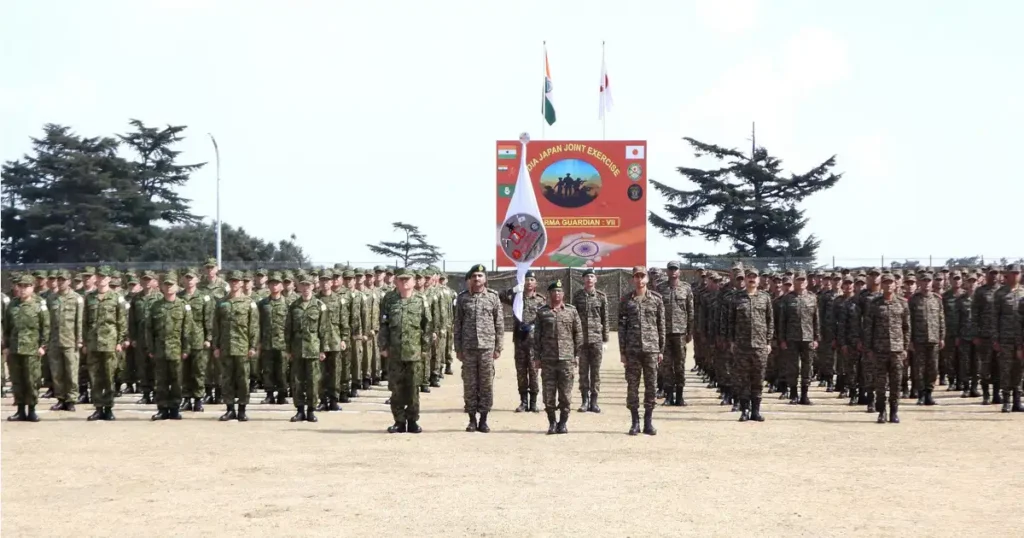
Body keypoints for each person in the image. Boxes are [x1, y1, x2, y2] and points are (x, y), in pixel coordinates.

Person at [379, 268, 432, 433]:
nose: (404, 282)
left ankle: (413, 421)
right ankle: (399, 421)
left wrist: (425, 348)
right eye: (401, 279)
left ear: (414, 282)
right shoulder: (389, 300)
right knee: (396, 389)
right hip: (395, 352)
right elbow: (383, 325)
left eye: (407, 279)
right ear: (396, 281)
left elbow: (427, 326)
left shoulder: (421, 300)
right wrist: (383, 346)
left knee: (413, 389)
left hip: (414, 352)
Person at [454, 264, 503, 433]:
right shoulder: (462, 298)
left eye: (480, 276)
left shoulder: (493, 297)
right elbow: (458, 324)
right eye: (474, 276)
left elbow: (499, 323)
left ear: (485, 279)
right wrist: (458, 348)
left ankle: (484, 419)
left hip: (486, 348)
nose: (477, 279)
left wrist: (498, 347)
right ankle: (472, 419)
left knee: (486, 384)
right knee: (470, 384)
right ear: (470, 279)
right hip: (468, 348)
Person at [618, 265, 665, 436]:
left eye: (642, 276)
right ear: (632, 279)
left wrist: (661, 349)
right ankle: (635, 422)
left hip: (651, 350)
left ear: (647, 279)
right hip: (632, 350)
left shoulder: (657, 300)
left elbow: (661, 326)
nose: (639, 279)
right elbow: (621, 327)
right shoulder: (626, 301)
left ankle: (648, 421)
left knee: (651, 386)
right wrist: (622, 352)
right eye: (636, 276)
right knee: (632, 386)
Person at [532, 279, 582, 434]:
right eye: (554, 291)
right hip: (548, 359)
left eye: (559, 291)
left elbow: (578, 333)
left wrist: (576, 354)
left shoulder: (571, 311)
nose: (557, 294)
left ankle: (563, 423)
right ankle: (552, 422)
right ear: (550, 293)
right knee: (549, 394)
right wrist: (537, 357)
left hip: (567, 359)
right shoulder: (542, 312)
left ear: (563, 294)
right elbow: (537, 336)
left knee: (566, 394)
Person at [147, 272, 195, 420]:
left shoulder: (183, 306)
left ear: (176, 287)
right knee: (160, 381)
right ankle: (162, 408)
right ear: (161, 287)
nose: (168, 288)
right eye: (166, 285)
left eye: (171, 285)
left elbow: (188, 329)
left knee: (176, 381)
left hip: (177, 349)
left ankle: (174, 408)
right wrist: (150, 348)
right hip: (160, 350)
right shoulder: (155, 306)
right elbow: (149, 330)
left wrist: (186, 349)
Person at [863, 272, 911, 424]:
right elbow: (868, 328)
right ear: (881, 285)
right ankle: (882, 411)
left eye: (891, 282)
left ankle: (894, 412)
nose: (889, 284)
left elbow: (906, 328)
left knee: (896, 382)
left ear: (896, 284)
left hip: (897, 350)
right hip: (879, 350)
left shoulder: (903, 303)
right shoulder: (874, 304)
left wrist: (905, 348)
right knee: (880, 383)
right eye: (885, 282)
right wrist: (869, 348)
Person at [213, 271, 259, 422]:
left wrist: (252, 346)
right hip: (226, 347)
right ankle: (230, 409)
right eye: (232, 281)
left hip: (242, 347)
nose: (234, 283)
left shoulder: (249, 303)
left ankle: (242, 409)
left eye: (237, 281)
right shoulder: (221, 303)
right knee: (226, 379)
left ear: (241, 283)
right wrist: (216, 346)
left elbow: (254, 326)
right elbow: (216, 326)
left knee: (243, 379)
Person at [3, 275, 50, 422]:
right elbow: (7, 327)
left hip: (32, 349)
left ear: (32, 287)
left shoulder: (40, 304)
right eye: (20, 286)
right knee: (17, 380)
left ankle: (32, 410)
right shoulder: (13, 304)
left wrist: (43, 346)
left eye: (26, 286)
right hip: (15, 349)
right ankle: (20, 410)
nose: (22, 289)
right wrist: (6, 346)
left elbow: (46, 326)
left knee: (32, 380)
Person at [729, 268, 773, 422]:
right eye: (749, 277)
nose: (752, 280)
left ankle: (756, 411)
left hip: (760, 346)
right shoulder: (736, 298)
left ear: (758, 280)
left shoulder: (765, 298)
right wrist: (732, 341)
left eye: (754, 277)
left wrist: (768, 341)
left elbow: (770, 321)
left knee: (758, 379)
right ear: (745, 280)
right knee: (743, 379)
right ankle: (744, 410)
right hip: (742, 345)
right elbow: (731, 321)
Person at [499, 270, 546, 413]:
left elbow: (544, 319)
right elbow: (499, 296)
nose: (529, 282)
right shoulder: (516, 297)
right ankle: (523, 401)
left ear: (536, 283)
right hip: (520, 340)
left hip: (534, 341)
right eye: (526, 279)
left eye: (532, 280)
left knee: (533, 371)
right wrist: (513, 290)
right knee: (521, 371)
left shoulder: (540, 300)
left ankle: (533, 402)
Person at [284, 274, 327, 423]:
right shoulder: (294, 306)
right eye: (303, 285)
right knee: (297, 381)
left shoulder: (320, 305)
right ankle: (300, 410)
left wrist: (322, 350)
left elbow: (323, 329)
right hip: (297, 349)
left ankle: (311, 410)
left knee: (313, 381)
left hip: (313, 349)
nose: (306, 288)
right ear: (299, 287)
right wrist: (288, 349)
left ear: (313, 287)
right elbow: (288, 329)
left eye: (308, 285)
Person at [656, 260, 694, 406]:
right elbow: (657, 312)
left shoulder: (686, 288)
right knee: (666, 366)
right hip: (665, 333)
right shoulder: (660, 288)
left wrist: (690, 331)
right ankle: (668, 395)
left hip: (680, 333)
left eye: (675, 269)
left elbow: (690, 311)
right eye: (670, 269)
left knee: (680, 365)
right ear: (667, 271)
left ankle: (680, 396)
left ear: (679, 272)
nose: (673, 272)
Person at [571, 267, 608, 413]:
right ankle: (584, 401)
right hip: (581, 340)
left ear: (595, 279)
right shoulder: (577, 296)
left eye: (592, 276)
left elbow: (605, 319)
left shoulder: (601, 297)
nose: (589, 279)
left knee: (596, 372)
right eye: (587, 277)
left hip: (596, 339)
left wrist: (605, 340)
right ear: (583, 279)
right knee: (583, 371)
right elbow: (573, 318)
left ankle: (594, 401)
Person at [46, 270, 83, 412]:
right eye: (59, 280)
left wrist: (79, 340)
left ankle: (71, 399)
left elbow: (79, 320)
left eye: (63, 280)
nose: (60, 282)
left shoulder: (77, 298)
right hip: (55, 341)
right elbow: (48, 321)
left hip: (70, 340)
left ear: (69, 281)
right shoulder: (51, 298)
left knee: (71, 371)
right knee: (57, 372)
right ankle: (60, 398)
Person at [908, 272, 945, 406]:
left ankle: (929, 393)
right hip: (919, 340)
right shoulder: (914, 300)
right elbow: (908, 321)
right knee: (919, 368)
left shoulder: (937, 299)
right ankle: (921, 394)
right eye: (924, 281)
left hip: (934, 339)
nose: (927, 283)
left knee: (933, 368)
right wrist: (910, 340)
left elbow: (941, 319)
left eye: (929, 281)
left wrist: (942, 336)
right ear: (919, 282)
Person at [992, 264, 1024, 412]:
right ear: (1007, 275)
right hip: (1005, 338)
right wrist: (996, 339)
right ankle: (1006, 400)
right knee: (1005, 369)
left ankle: (1017, 400)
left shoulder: (1023, 293)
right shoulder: (1000, 294)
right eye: (1013, 273)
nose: (1016, 276)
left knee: (1019, 370)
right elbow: (994, 318)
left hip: (1021, 339)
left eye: (1018, 273)